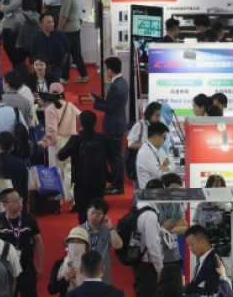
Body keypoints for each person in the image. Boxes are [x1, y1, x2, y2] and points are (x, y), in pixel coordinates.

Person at [57, 112, 114, 224]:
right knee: (98, 210)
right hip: (100, 180)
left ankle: (85, 232)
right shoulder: (103, 138)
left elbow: (61, 156)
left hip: (81, 181)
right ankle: (98, 231)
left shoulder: (76, 139)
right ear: (95, 123)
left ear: (80, 123)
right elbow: (112, 155)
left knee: (83, 212)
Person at [91, 57, 127, 195]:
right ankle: (116, 183)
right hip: (118, 123)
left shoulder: (116, 86)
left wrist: (95, 103)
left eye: (106, 69)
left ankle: (118, 185)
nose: (105, 71)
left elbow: (110, 107)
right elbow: (112, 103)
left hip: (114, 126)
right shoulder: (122, 82)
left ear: (111, 70)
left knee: (115, 157)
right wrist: (98, 99)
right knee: (115, 156)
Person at [0, 188, 43, 297]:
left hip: (26, 266)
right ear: (4, 205)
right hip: (7, 268)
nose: (19, 202)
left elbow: (38, 241)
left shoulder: (29, 218)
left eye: (19, 198)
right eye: (14, 200)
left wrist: (40, 265)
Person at [38, 83, 78, 205]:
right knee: (69, 170)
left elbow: (51, 131)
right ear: (62, 93)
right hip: (71, 141)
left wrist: (44, 142)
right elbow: (81, 116)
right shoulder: (70, 105)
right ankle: (71, 197)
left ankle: (58, 199)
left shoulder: (50, 109)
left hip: (56, 143)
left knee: (56, 170)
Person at [58, 0, 88, 83]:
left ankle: (64, 77)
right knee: (76, 53)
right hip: (76, 26)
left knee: (65, 53)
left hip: (68, 29)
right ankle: (84, 74)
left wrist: (59, 28)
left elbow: (64, 16)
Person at [182, 225, 224, 296]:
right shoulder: (203, 258)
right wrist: (183, 286)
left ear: (202, 242)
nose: (189, 248)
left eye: (191, 245)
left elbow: (210, 292)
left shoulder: (215, 264)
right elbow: (196, 285)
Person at [48, 227, 90, 296]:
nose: (75, 245)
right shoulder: (60, 264)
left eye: (79, 242)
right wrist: (65, 278)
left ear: (85, 245)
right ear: (67, 244)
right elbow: (51, 289)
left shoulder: (91, 264)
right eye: (72, 241)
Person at [135, 122, 171, 192]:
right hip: (150, 193)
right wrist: (167, 167)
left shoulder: (158, 148)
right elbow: (160, 174)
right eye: (164, 137)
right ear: (155, 137)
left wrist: (167, 167)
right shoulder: (145, 153)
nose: (165, 140)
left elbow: (171, 164)